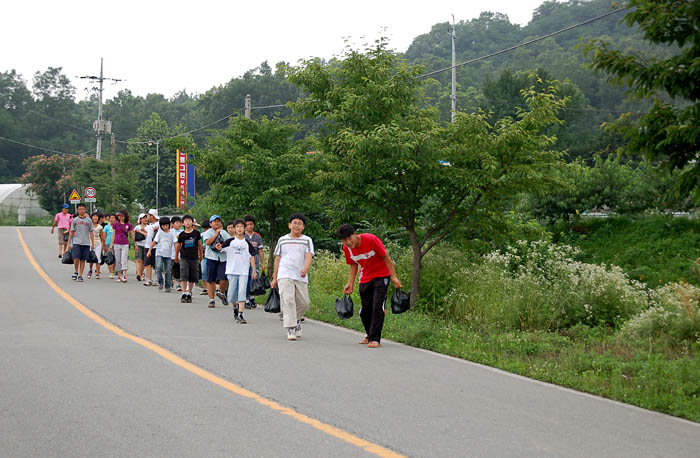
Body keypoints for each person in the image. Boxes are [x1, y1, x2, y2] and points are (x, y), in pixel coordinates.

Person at [338, 224, 402, 348]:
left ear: (354, 234)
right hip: (365, 277)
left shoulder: (370, 239)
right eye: (344, 240)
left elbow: (386, 257)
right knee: (365, 311)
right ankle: (369, 335)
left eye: (349, 238)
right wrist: (350, 283)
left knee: (377, 307)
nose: (348, 242)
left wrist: (394, 277)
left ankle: (375, 338)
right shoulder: (347, 248)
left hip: (382, 275)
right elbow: (353, 265)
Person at [270, 213, 314, 341]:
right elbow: (277, 259)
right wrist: (274, 277)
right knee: (288, 300)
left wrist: (305, 268)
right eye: (294, 223)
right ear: (289, 225)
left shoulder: (307, 240)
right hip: (284, 274)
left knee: (305, 303)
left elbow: (308, 255)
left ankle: (296, 320)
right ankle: (291, 327)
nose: (296, 225)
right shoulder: (282, 239)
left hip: (300, 275)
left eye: (299, 223)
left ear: (303, 227)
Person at [218, 219, 258, 324]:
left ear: (244, 229)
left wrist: (254, 270)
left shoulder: (247, 243)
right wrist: (218, 247)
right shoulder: (230, 242)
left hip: (244, 271)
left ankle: (240, 314)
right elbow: (220, 248)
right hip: (232, 270)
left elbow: (252, 256)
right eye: (237, 227)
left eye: (241, 227)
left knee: (242, 293)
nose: (239, 229)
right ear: (234, 229)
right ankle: (235, 308)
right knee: (231, 294)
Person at [202, 215, 230, 308]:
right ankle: (211, 299)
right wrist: (216, 234)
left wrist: (222, 246)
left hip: (222, 258)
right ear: (211, 223)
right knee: (211, 279)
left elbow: (229, 242)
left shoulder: (224, 233)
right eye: (215, 221)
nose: (217, 223)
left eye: (218, 221)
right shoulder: (208, 232)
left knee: (224, 277)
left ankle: (221, 292)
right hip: (211, 257)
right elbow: (208, 242)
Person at [174, 214, 203, 303]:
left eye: (189, 221)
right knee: (184, 275)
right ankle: (184, 293)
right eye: (186, 221)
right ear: (183, 223)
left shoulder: (196, 233)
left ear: (192, 222)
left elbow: (199, 245)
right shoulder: (181, 235)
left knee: (192, 276)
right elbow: (178, 246)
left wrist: (201, 255)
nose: (188, 222)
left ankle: (190, 293)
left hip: (194, 257)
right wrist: (176, 256)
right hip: (184, 257)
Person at [67, 203, 94, 282]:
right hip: (76, 242)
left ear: (85, 210)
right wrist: (68, 243)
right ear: (77, 210)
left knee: (83, 259)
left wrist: (92, 243)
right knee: (76, 258)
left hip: (86, 242)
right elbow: (71, 232)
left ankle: (80, 275)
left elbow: (91, 232)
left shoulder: (89, 220)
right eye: (80, 209)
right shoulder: (75, 220)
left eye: (83, 209)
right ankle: (76, 271)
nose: (81, 211)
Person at [243, 214, 265, 309]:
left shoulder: (257, 237)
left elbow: (260, 250)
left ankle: (252, 296)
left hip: (255, 263)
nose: (249, 226)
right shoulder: (242, 236)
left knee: (254, 279)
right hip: (244, 263)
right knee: (246, 281)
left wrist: (263, 263)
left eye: (251, 224)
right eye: (247, 224)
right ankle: (247, 299)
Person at [148, 216, 174, 291]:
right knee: (158, 268)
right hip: (159, 253)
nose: (165, 227)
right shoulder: (159, 233)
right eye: (163, 225)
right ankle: (160, 282)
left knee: (168, 270)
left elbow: (175, 242)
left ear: (169, 225)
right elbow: (154, 242)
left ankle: (167, 285)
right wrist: (149, 250)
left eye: (166, 225)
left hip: (168, 254)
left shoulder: (172, 233)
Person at [110, 209, 134, 283]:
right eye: (119, 216)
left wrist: (134, 241)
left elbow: (132, 233)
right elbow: (113, 235)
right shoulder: (115, 225)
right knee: (118, 260)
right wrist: (111, 245)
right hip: (117, 243)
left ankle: (124, 275)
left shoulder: (128, 225)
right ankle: (119, 275)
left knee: (124, 259)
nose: (121, 217)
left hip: (125, 243)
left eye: (122, 216)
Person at [143, 209, 160, 286]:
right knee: (147, 263)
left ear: (152, 216)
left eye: (149, 215)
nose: (148, 217)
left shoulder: (159, 224)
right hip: (147, 246)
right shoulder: (149, 226)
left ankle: (157, 279)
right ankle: (149, 279)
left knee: (157, 264)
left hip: (156, 247)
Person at [87, 212, 103, 279]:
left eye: (96, 216)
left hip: (98, 244)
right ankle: (90, 270)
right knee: (91, 258)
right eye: (94, 216)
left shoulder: (100, 227)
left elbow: (102, 237)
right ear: (91, 217)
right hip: (90, 244)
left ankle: (97, 273)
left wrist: (102, 245)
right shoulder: (89, 226)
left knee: (98, 259)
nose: (95, 218)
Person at [170, 216, 184, 291]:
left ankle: (179, 284)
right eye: (177, 223)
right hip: (171, 254)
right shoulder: (170, 231)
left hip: (180, 255)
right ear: (172, 224)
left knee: (179, 269)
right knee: (170, 269)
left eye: (180, 223)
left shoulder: (183, 232)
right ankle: (170, 282)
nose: (179, 224)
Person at [134, 213, 148, 281]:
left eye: (146, 218)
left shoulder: (149, 227)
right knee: (138, 259)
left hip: (146, 245)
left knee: (143, 261)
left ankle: (141, 273)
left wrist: (142, 232)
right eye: (143, 218)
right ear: (140, 219)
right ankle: (138, 274)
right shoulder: (137, 227)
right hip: (139, 245)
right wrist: (135, 244)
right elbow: (134, 237)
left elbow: (149, 236)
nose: (145, 219)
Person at [199, 217, 210, 295]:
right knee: (203, 271)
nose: (206, 230)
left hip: (210, 255)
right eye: (204, 228)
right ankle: (205, 287)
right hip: (203, 255)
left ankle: (210, 287)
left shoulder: (213, 234)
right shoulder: (201, 235)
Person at [103, 214, 116, 279]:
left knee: (115, 258)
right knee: (110, 258)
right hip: (108, 244)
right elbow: (104, 236)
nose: (112, 219)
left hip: (116, 244)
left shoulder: (117, 226)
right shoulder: (106, 227)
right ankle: (111, 272)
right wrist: (104, 245)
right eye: (111, 218)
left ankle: (114, 270)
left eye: (113, 218)